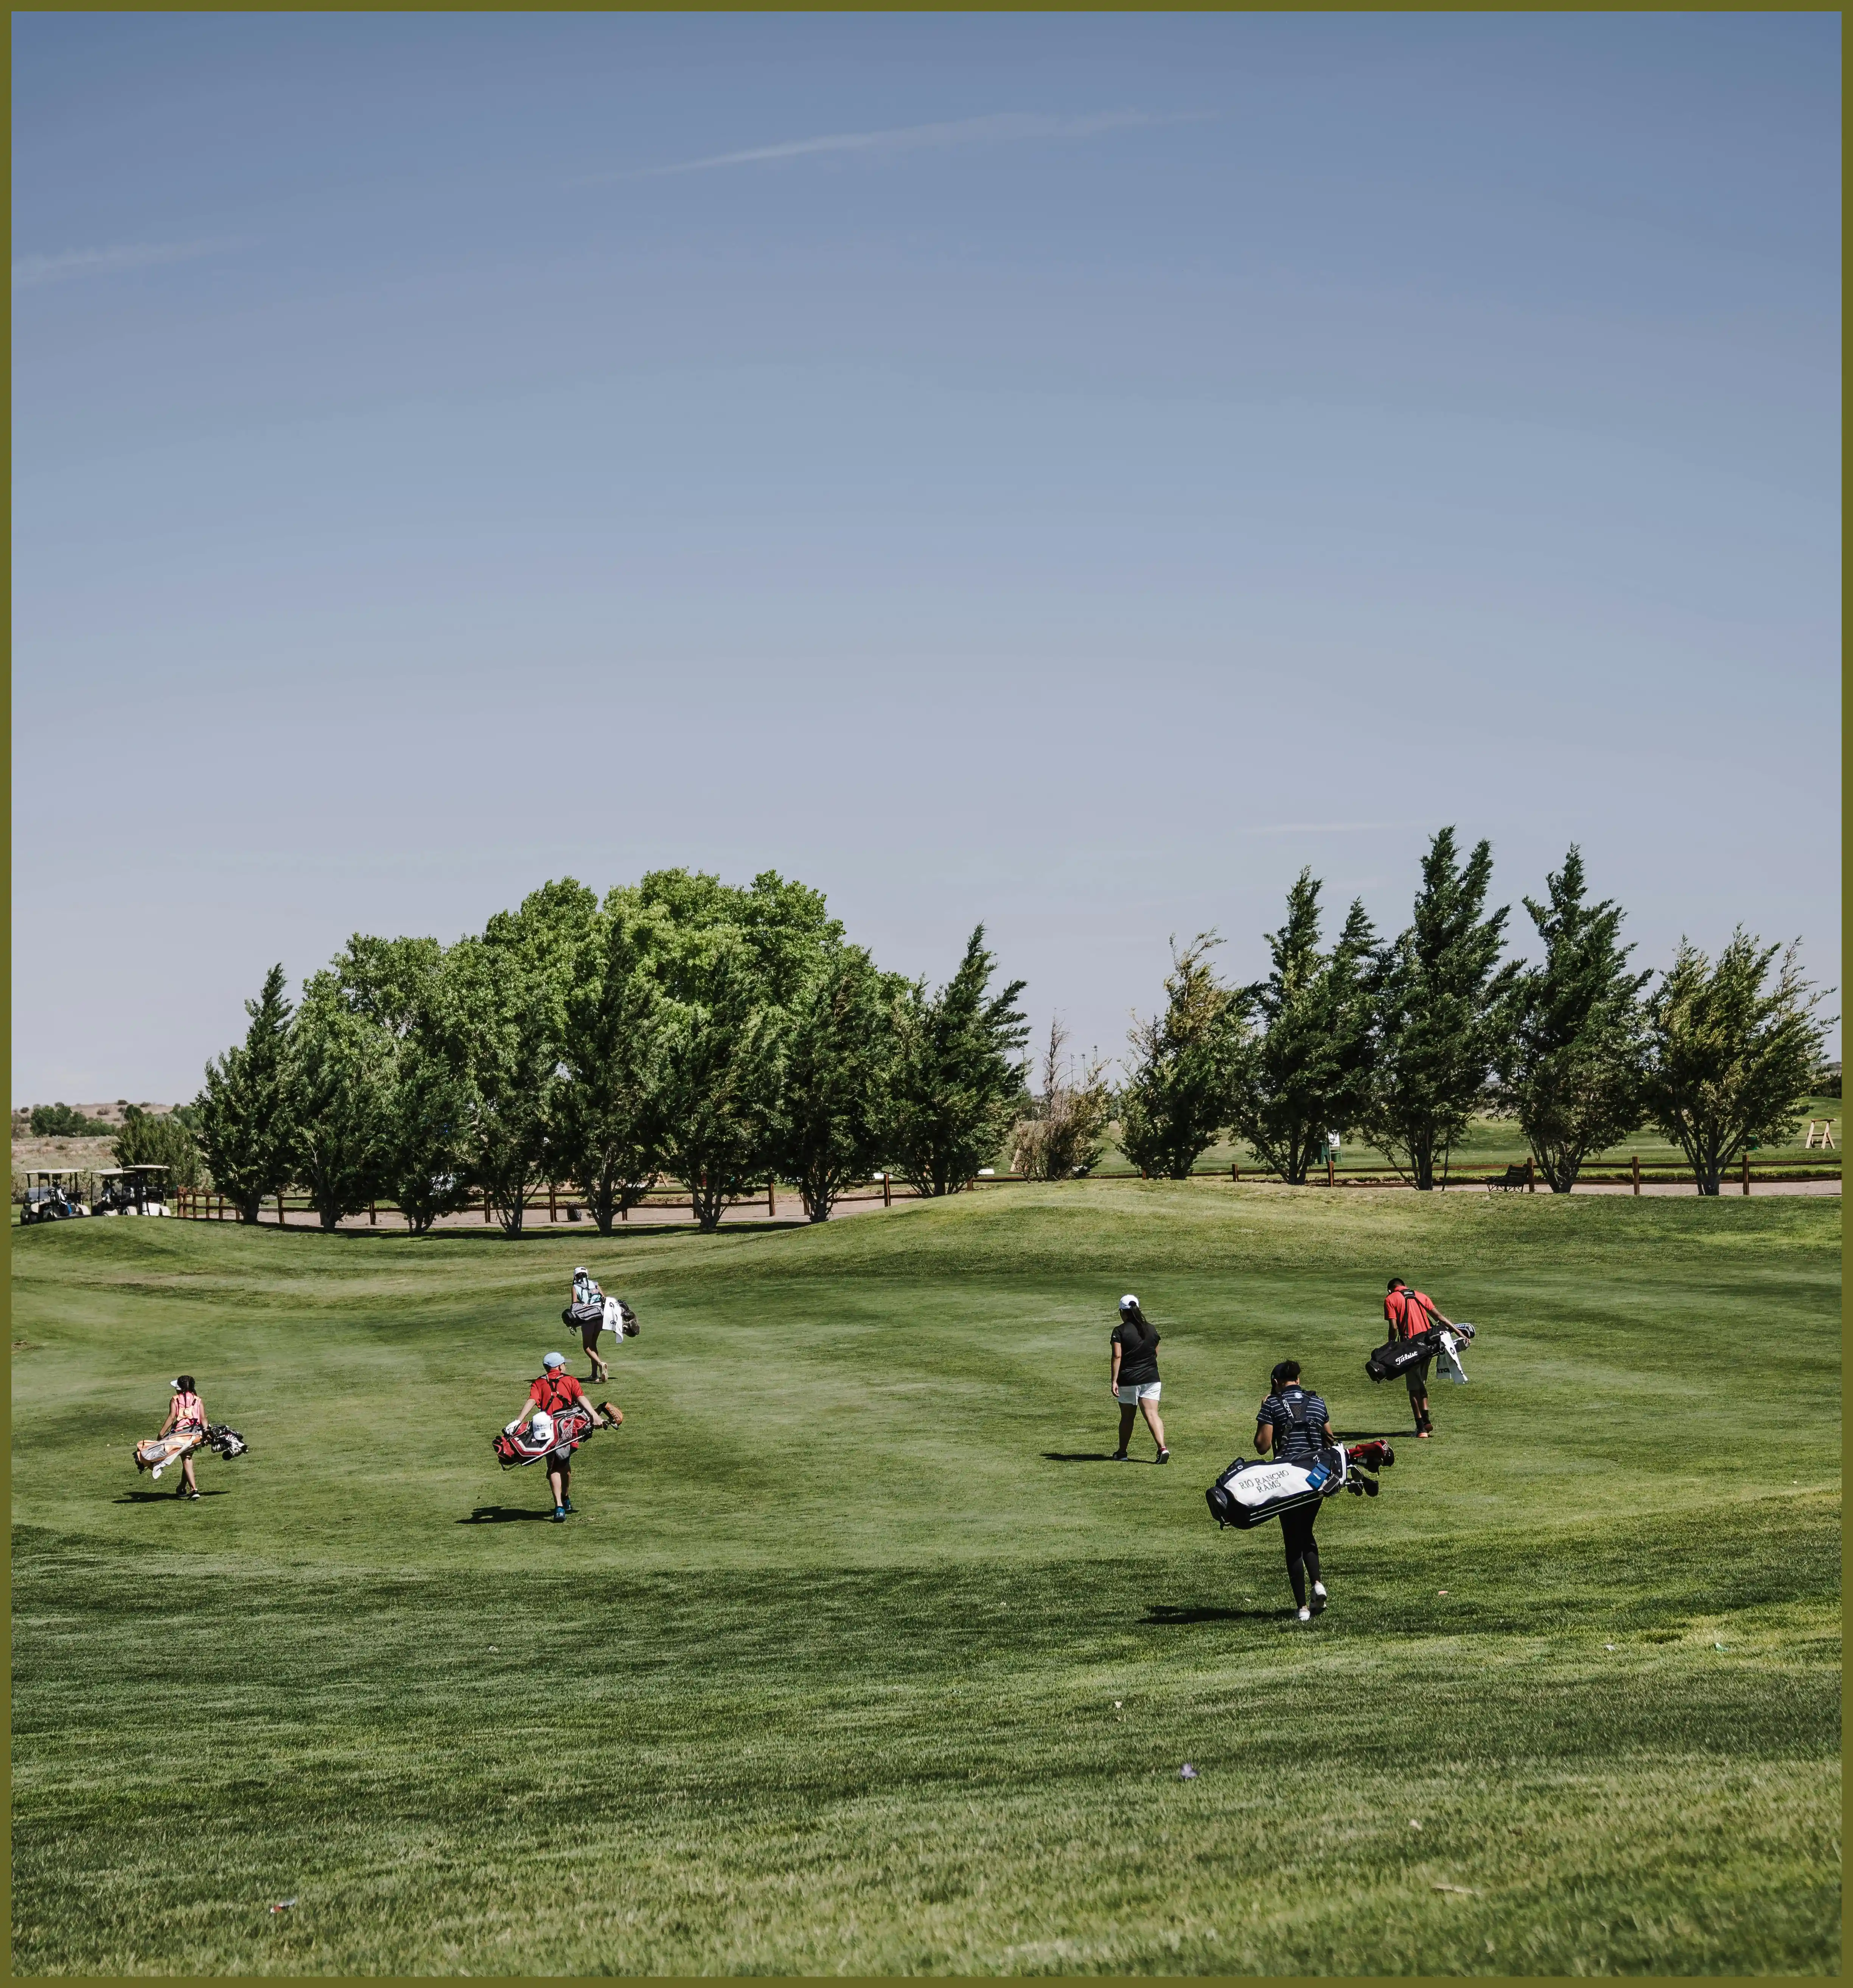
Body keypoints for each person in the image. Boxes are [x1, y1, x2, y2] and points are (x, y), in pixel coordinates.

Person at [1254, 1359, 1333, 1622]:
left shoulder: (1273, 1404)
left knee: (1292, 1540)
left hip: (1288, 1478)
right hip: (1317, 1476)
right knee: (1306, 1531)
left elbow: (1262, 1446)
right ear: (1298, 1380)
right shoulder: (1318, 1403)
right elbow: (1329, 1440)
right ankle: (1318, 1583)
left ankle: (1302, 1608)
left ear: (1276, 1384)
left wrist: (1266, 1409)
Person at [506, 1352, 615, 1521]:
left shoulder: (539, 1383)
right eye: (564, 1364)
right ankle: (561, 1503)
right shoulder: (571, 1381)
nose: (565, 1366)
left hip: (546, 1429)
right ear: (558, 1367)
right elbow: (581, 1400)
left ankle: (562, 1502)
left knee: (557, 1465)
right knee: (560, 1465)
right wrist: (594, 1416)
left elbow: (532, 1401)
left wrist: (518, 1421)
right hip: (568, 1428)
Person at [1385, 1277, 1453, 1437]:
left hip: (1410, 1348)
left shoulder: (1391, 1299)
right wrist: (1459, 1332)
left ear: (1390, 1290)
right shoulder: (1420, 1295)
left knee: (1413, 1388)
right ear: (1404, 1286)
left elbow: (1394, 1327)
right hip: (1429, 1346)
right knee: (1421, 1384)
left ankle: (1421, 1429)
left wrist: (1390, 1345)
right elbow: (1440, 1317)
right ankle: (1427, 1421)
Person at [1109, 1294, 1169, 1464]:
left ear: (1122, 1312)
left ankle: (1122, 1453)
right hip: (1152, 1378)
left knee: (1128, 1417)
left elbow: (1117, 1356)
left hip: (1129, 1379)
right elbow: (1155, 1352)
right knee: (1152, 1414)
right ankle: (1162, 1448)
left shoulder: (1119, 1331)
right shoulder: (1151, 1328)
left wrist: (1114, 1380)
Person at [158, 1375, 207, 1501]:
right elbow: (203, 1419)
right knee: (187, 1459)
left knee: (186, 1460)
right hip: (196, 1434)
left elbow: (171, 1418)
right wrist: (207, 1432)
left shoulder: (175, 1399)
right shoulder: (198, 1400)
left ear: (179, 1388)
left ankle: (194, 1490)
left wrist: (161, 1434)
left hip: (180, 1435)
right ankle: (182, 1488)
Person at [571, 1267, 612, 1384]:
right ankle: (594, 1376)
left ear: (576, 1276)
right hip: (600, 1316)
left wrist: (573, 1323)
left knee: (587, 1347)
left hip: (588, 1317)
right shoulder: (595, 1285)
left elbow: (575, 1305)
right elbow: (604, 1300)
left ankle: (601, 1364)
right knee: (593, 1345)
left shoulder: (575, 1287)